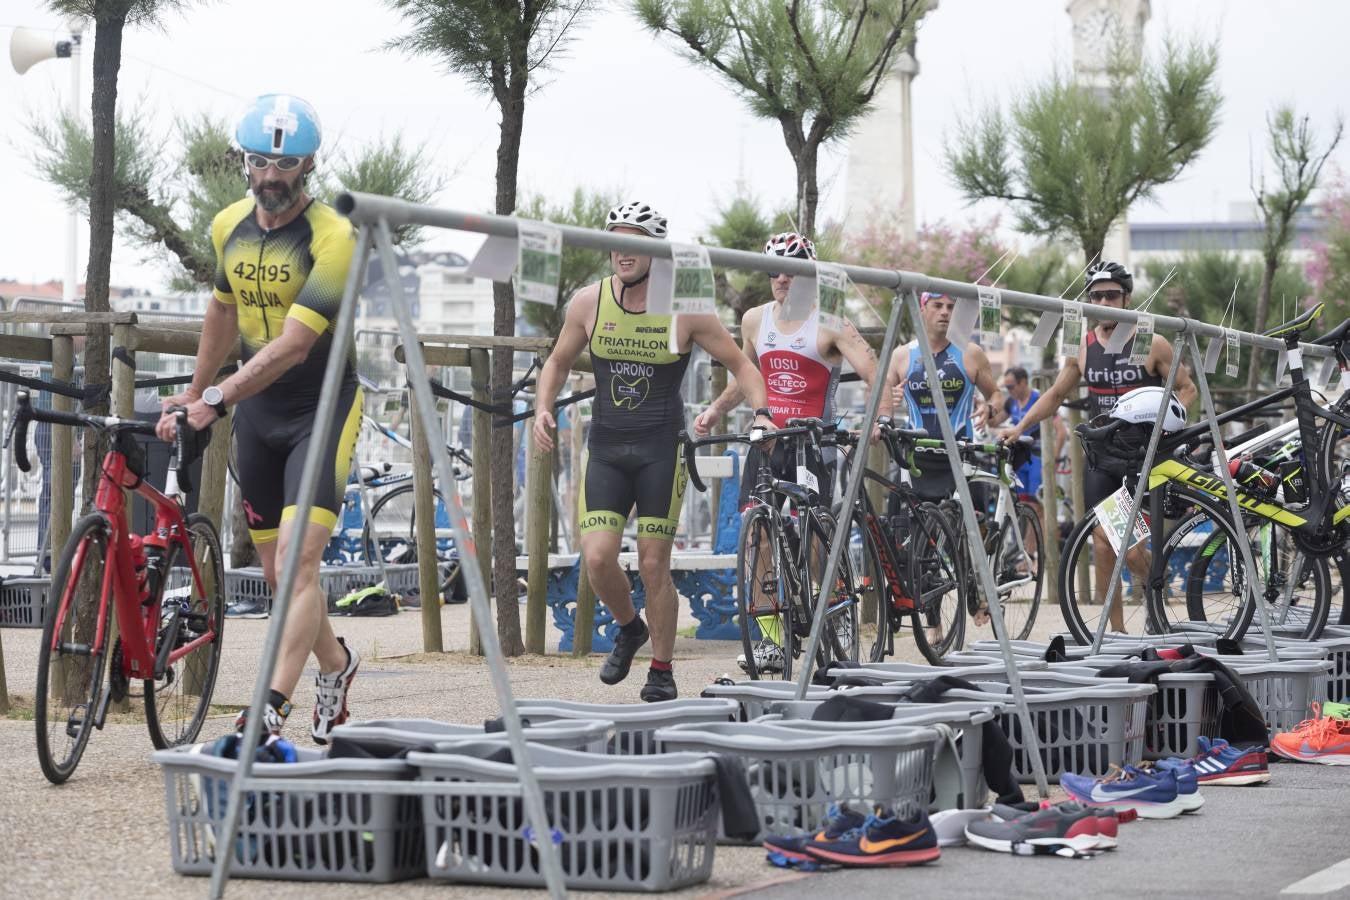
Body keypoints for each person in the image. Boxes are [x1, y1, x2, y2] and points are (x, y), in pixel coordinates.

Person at [157, 93, 362, 743]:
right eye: (259, 164)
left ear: (307, 167)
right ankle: (337, 662)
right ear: (243, 163)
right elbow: (222, 313)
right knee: (278, 576)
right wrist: (195, 394)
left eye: (287, 165)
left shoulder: (334, 237)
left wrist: (217, 399)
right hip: (257, 411)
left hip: (321, 407)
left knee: (301, 565)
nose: (272, 178)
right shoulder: (227, 227)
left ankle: (270, 706)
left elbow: (295, 344)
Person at [532, 201, 773, 702]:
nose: (623, 251)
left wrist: (761, 412)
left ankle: (661, 669)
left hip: (661, 453)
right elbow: (556, 361)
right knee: (597, 559)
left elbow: (743, 366)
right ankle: (629, 628)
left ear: (655, 252)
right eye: (617, 240)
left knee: (651, 565)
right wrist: (542, 407)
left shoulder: (686, 308)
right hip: (606, 451)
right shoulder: (588, 302)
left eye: (635, 242)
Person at [692, 231, 888, 673]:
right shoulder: (753, 319)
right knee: (757, 533)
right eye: (774, 270)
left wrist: (876, 420)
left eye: (792, 270)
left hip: (812, 442)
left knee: (815, 534)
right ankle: (770, 640)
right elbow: (747, 374)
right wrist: (715, 410)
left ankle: (836, 614)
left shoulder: (831, 320)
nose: (781, 278)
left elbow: (874, 372)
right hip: (767, 439)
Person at [1000, 261, 1197, 630]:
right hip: (1103, 457)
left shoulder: (1151, 341)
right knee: (1103, 543)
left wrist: (1164, 425)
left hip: (1145, 457)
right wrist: (1019, 426)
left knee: (1121, 543)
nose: (1104, 302)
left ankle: (1152, 577)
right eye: (1097, 296)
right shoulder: (1084, 346)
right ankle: (1117, 631)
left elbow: (1187, 388)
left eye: (1111, 295)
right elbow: (1057, 393)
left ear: (1127, 298)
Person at [886, 291, 1003, 501]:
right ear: (922, 309)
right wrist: (888, 400)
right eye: (937, 306)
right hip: (916, 457)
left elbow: (995, 394)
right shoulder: (902, 355)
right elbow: (877, 399)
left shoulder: (971, 353)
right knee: (900, 526)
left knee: (970, 529)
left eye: (950, 308)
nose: (945, 312)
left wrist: (989, 408)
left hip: (960, 456)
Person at [998, 365, 1069, 529]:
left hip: (1038, 458)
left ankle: (1036, 552)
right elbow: (995, 420)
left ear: (1023, 382)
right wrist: (985, 409)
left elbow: (1061, 432)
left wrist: (1054, 461)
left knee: (1037, 508)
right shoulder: (1011, 401)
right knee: (1022, 506)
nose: (1009, 390)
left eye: (1011, 386)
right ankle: (1027, 551)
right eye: (1006, 387)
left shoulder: (1039, 400)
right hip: (1019, 458)